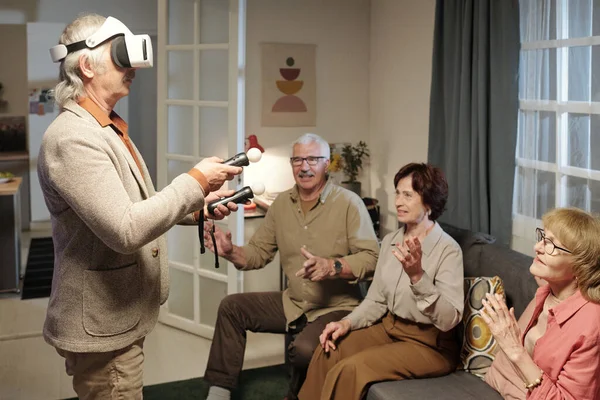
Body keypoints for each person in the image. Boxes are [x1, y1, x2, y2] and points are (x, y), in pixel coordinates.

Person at [37, 14, 242, 399]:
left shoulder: (104, 127)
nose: (132, 69)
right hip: (103, 327)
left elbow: (133, 206)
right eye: (121, 57)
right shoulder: (73, 139)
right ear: (87, 65)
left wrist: (197, 207)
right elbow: (125, 228)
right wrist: (196, 181)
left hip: (116, 320)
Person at [202, 133, 380, 400]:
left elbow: (372, 259)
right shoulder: (281, 204)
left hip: (337, 307)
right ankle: (219, 392)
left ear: (326, 163)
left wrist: (333, 266)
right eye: (297, 159)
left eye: (312, 159)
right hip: (294, 303)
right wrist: (230, 251)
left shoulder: (349, 204)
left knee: (304, 350)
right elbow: (259, 253)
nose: (304, 166)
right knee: (232, 308)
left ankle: (297, 393)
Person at [298, 162, 464, 400]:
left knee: (351, 369)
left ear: (429, 202)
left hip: (430, 345)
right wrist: (346, 323)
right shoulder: (390, 241)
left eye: (408, 195)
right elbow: (376, 299)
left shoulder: (448, 250)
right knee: (329, 350)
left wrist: (418, 277)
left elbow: (449, 320)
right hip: (389, 328)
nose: (398, 201)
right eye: (397, 192)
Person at [482, 207, 600, 400]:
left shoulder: (591, 325)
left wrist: (515, 350)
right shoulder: (549, 289)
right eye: (543, 238)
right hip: (493, 385)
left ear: (581, 267)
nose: (537, 248)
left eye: (552, 245)